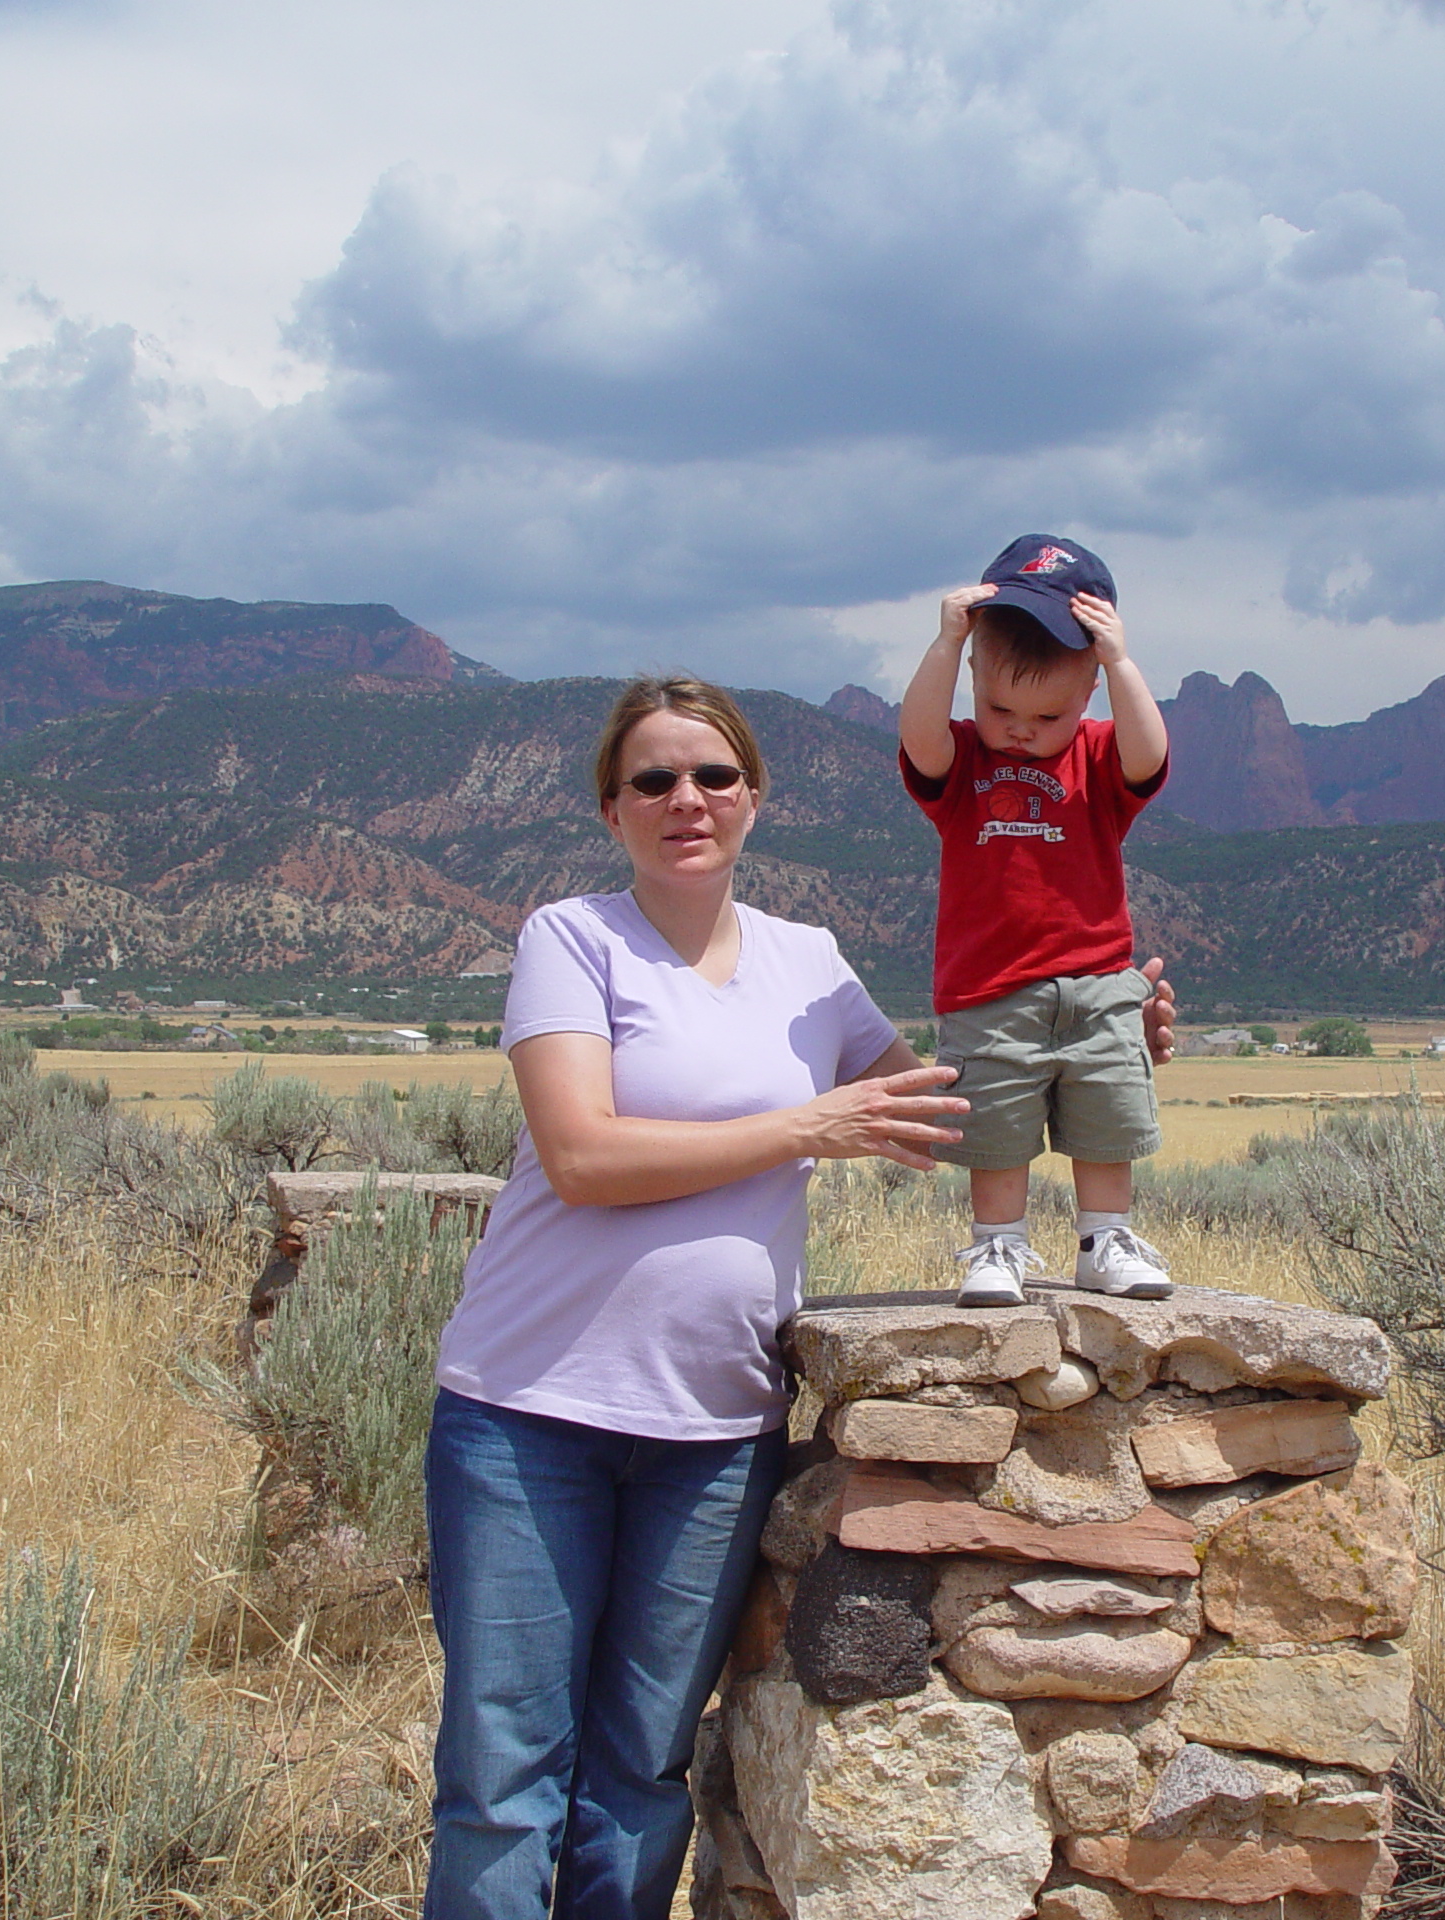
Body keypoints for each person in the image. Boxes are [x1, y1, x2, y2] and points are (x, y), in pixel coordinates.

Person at [421, 674, 1174, 1920]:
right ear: (611, 808)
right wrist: (802, 1128)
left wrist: (1092, 1042)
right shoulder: (571, 937)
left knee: (641, 1773)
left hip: (711, 1435)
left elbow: (941, 1112)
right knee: (506, 1781)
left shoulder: (806, 963)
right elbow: (583, 1157)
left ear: (755, 798)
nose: (686, 800)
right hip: (527, 1418)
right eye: (653, 779)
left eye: (713, 776)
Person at [899, 534, 1173, 1308]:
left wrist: (1121, 662)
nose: (1020, 729)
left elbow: (1149, 755)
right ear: (975, 684)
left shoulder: (1095, 758)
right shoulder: (965, 767)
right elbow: (918, 736)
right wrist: (947, 643)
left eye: (1047, 713)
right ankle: (996, 1247)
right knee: (999, 1129)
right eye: (998, 708)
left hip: (1097, 987)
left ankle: (1105, 1238)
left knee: (1104, 1116)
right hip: (991, 992)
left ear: (1087, 692)